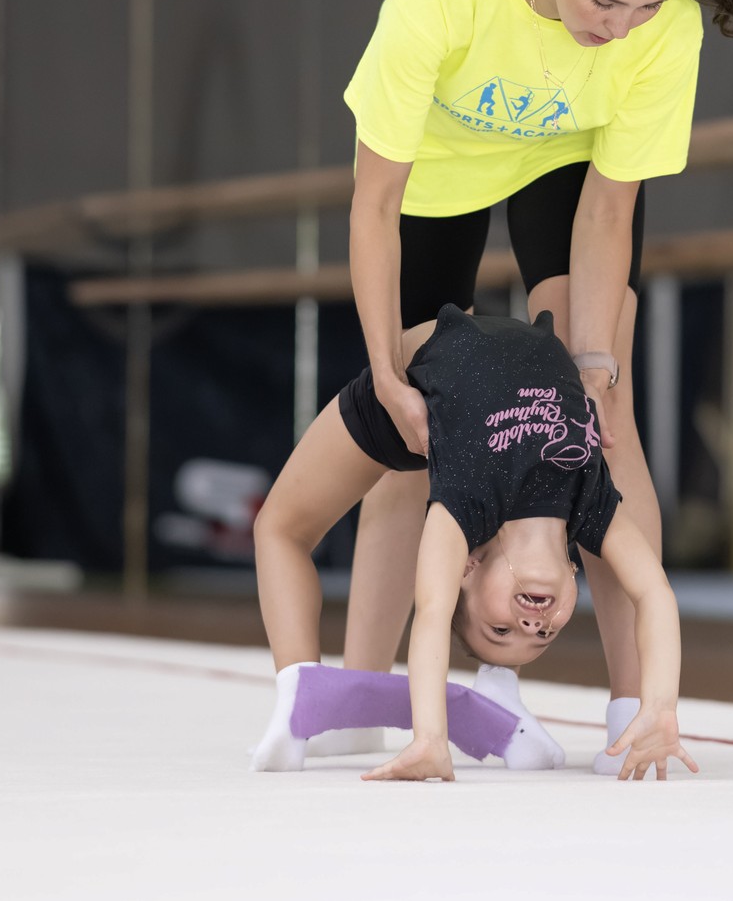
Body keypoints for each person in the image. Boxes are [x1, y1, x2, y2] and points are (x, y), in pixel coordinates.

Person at [336, 0, 733, 772]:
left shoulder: (667, 29)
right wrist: (382, 369)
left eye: (644, 9)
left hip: (566, 172)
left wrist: (596, 364)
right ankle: (368, 690)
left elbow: (609, 213)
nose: (619, 28)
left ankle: (635, 707)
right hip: (436, 175)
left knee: (603, 424)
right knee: (410, 441)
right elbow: (375, 201)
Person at [251, 306, 696, 782]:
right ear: (573, 577)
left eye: (501, 631)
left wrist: (430, 739)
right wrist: (660, 706)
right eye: (544, 636)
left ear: (468, 567)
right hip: (479, 349)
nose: (532, 625)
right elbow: (654, 594)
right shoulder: (588, 503)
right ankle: (314, 699)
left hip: (405, 399)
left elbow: (432, 615)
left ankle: (301, 694)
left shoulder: (465, 508)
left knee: (278, 527)